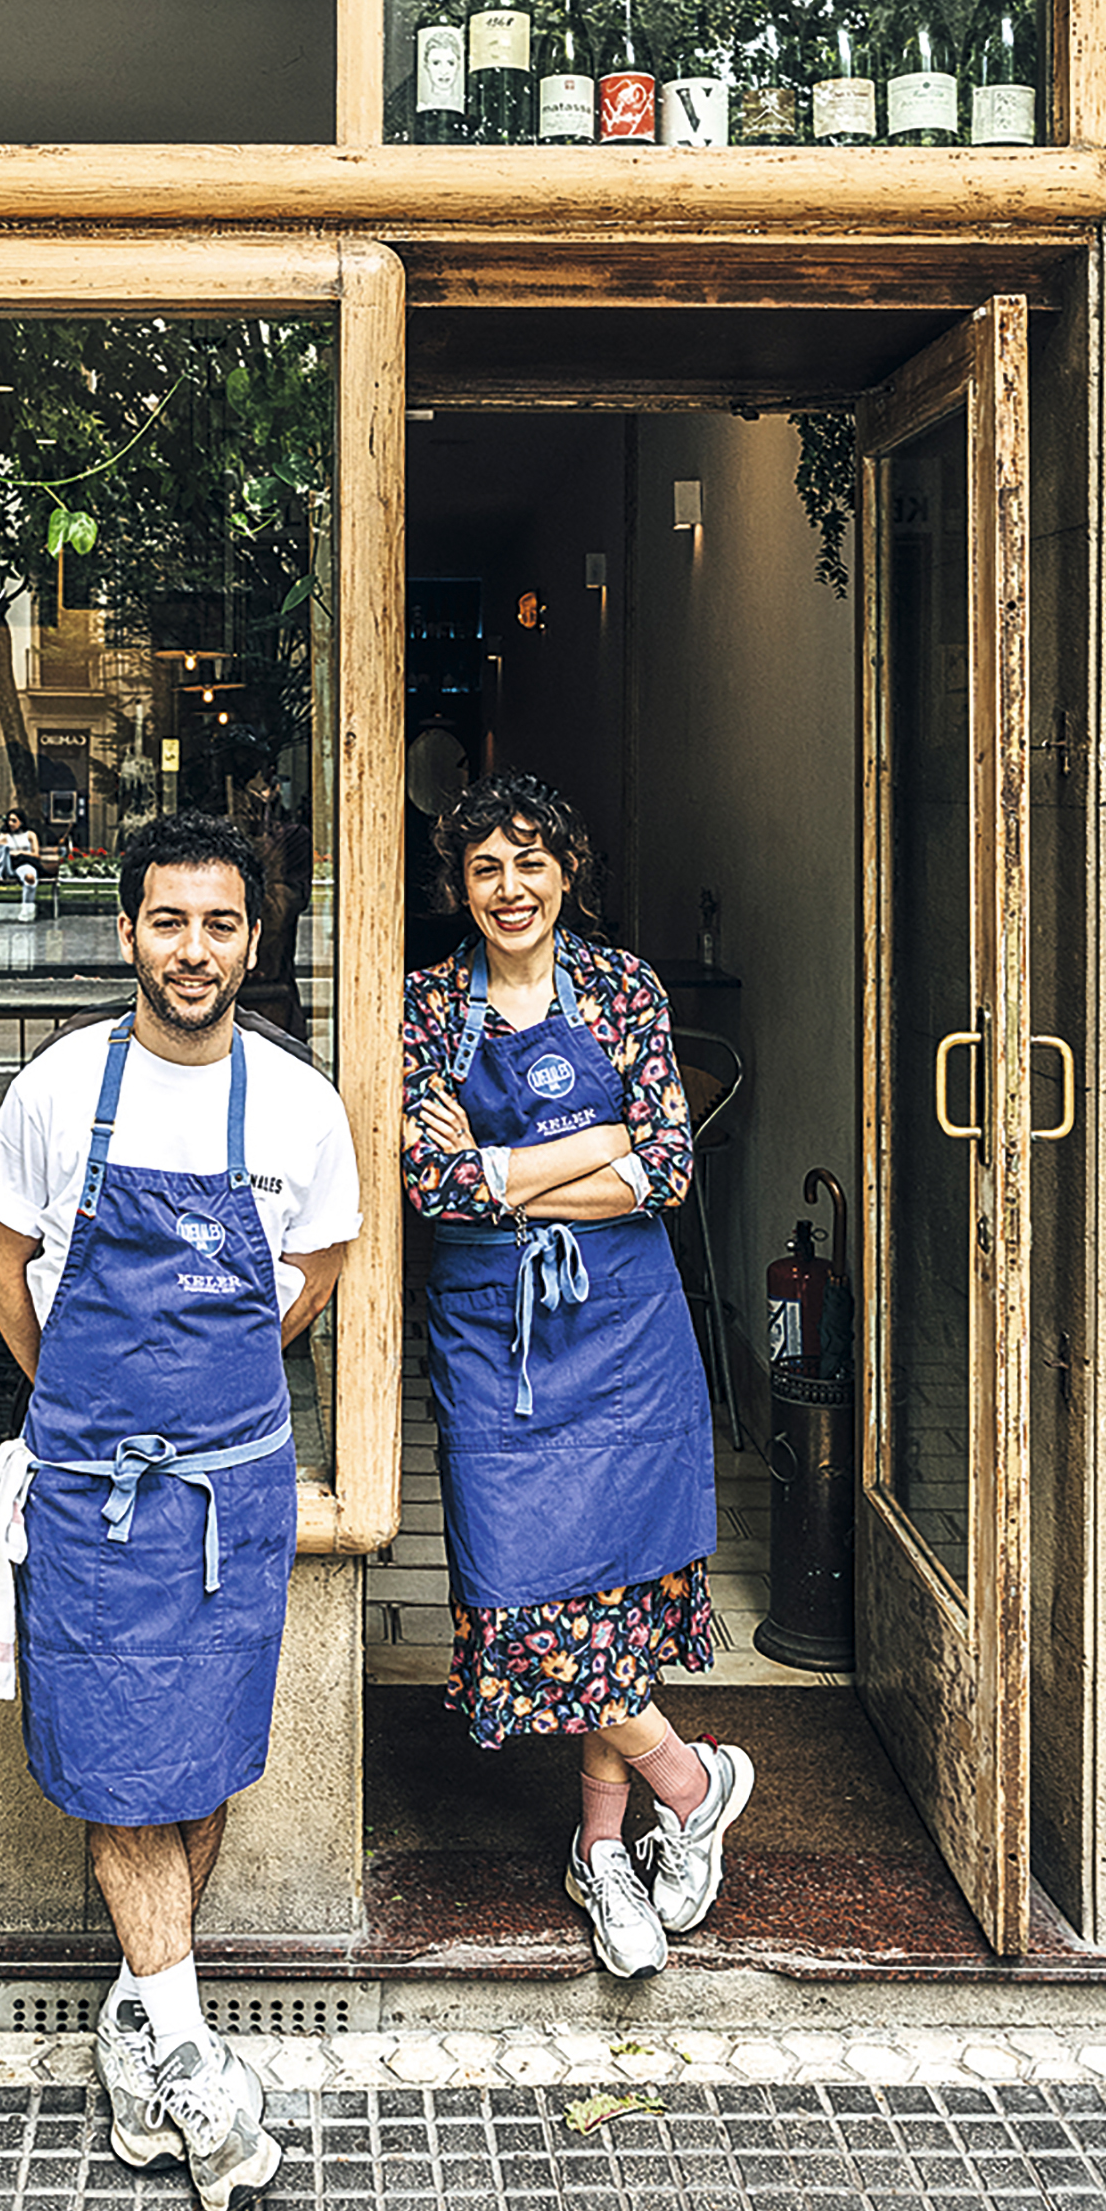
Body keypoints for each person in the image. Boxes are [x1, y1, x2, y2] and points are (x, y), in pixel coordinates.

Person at [0, 811, 360, 2211]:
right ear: (126, 930)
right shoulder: (65, 1087)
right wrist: (80, 1397)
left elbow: (310, 1267)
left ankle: (140, 2022)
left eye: (221, 924)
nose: (193, 950)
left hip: (231, 1492)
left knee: (196, 1760)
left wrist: (210, 1401)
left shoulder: (302, 1105)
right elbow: (1, 1253)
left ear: (255, 941)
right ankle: (193, 2059)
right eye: (169, 921)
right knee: (125, 1760)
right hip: (95, 1493)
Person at [401, 770, 753, 1981]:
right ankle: (689, 1779)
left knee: (614, 1582)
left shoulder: (619, 989)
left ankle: (600, 1851)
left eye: (531, 861)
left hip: (624, 1330)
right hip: (490, 1334)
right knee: (518, 1590)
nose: (510, 887)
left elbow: (662, 1167)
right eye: (485, 866)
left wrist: (501, 1167)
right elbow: (426, 1185)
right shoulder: (424, 1007)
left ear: (567, 874)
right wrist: (581, 1146)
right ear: (459, 883)